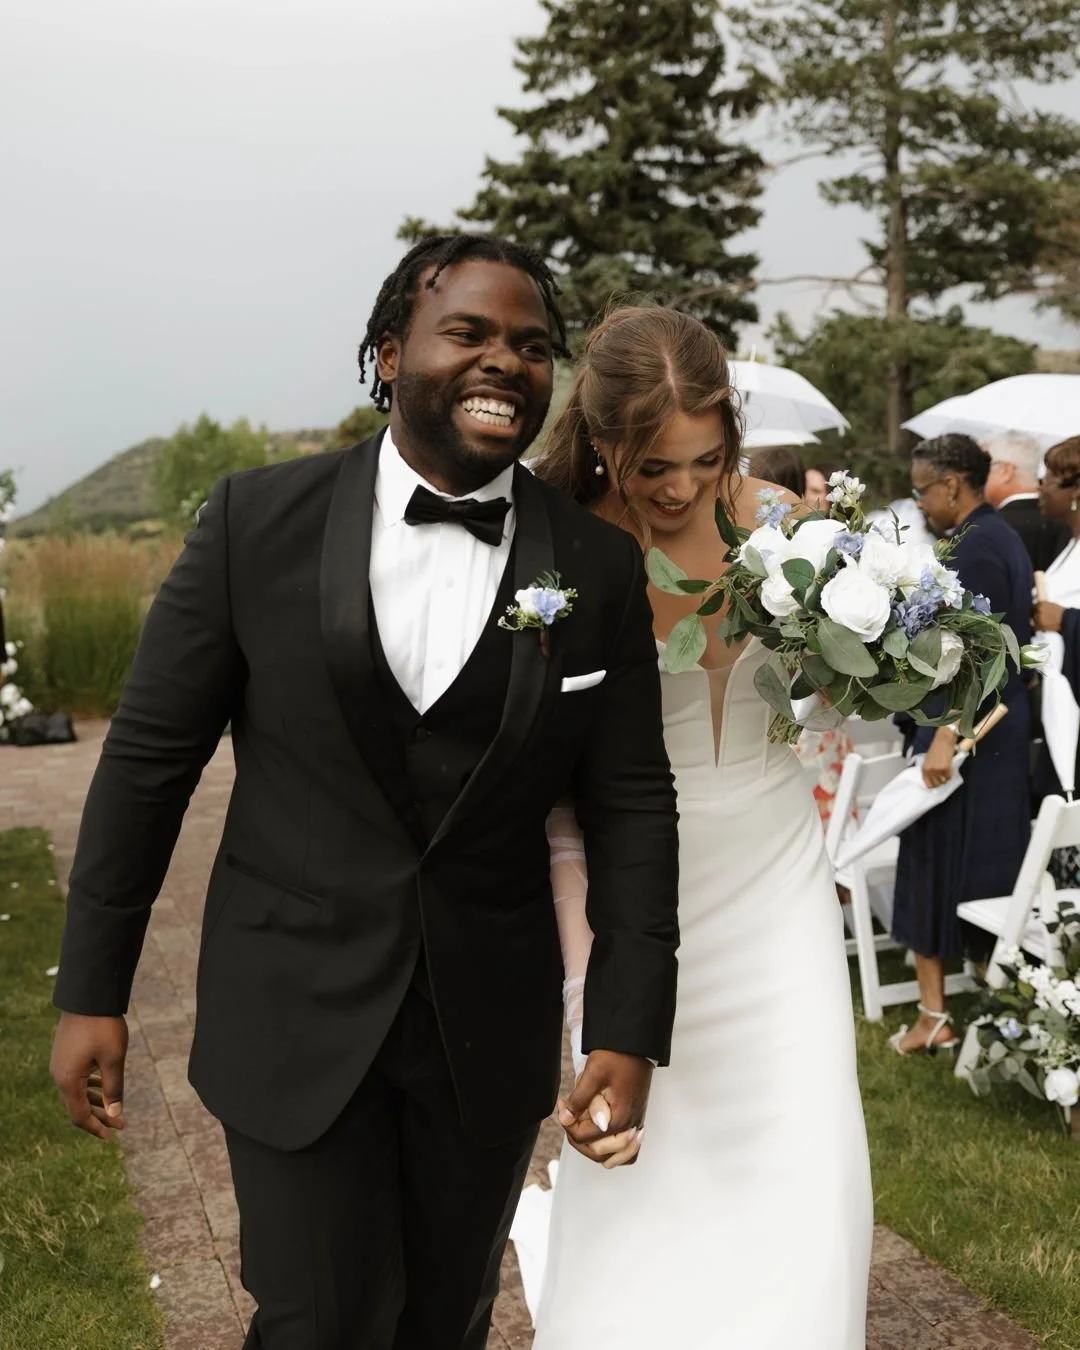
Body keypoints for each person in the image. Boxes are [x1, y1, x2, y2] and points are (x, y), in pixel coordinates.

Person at [47, 236, 681, 1350]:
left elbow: (632, 808)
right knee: (319, 1322)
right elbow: (148, 763)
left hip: (484, 1025)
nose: (507, 364)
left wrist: (627, 1023)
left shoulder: (596, 567)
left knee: (447, 1321)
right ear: (390, 356)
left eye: (533, 347)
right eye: (471, 334)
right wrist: (91, 990)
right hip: (290, 1008)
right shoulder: (255, 525)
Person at [530, 305, 873, 1348]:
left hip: (777, 890)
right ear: (601, 445)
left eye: (703, 458)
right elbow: (558, 815)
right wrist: (591, 993)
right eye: (649, 467)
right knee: (645, 1189)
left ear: (731, 432)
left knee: (814, 1171)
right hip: (641, 907)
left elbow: (848, 709)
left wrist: (891, 654)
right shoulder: (564, 561)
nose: (680, 488)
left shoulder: (788, 532)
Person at [890, 435, 1033, 1056]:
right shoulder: (1001, 535)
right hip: (998, 731)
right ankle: (984, 1000)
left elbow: (980, 654)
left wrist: (946, 735)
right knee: (982, 868)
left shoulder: (975, 547)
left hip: (970, 729)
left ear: (952, 484)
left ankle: (934, 1016)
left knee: (930, 864)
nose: (919, 501)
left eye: (922, 488)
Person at [1031, 436, 1080, 881]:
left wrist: (1065, 620)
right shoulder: (1068, 545)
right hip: (1060, 714)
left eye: (1049, 479)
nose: (1041, 488)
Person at [984, 429, 1070, 572]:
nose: (974, 478)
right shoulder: (1068, 520)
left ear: (1005, 471)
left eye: (982, 468)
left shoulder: (991, 527)